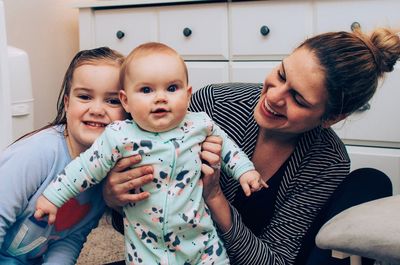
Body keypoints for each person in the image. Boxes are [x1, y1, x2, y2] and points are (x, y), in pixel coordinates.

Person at [104, 28, 400, 265]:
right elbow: (142, 222)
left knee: (371, 182)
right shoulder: (214, 106)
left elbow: (276, 260)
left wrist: (215, 196)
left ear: (332, 117)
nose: (273, 96)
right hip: (176, 255)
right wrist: (114, 197)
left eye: (298, 98)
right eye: (281, 74)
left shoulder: (327, 160)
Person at [35, 42, 264, 265]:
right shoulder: (119, 135)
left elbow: (229, 148)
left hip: (201, 243)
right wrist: (53, 197)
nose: (161, 97)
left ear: (188, 94)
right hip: (146, 247)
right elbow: (84, 167)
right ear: (125, 101)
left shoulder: (198, 124)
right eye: (146, 90)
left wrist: (245, 171)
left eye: (172, 88)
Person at [0, 47, 134, 265]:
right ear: (67, 103)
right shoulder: (39, 152)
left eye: (112, 101)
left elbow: (69, 238)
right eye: (84, 96)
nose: (97, 109)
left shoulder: (105, 173)